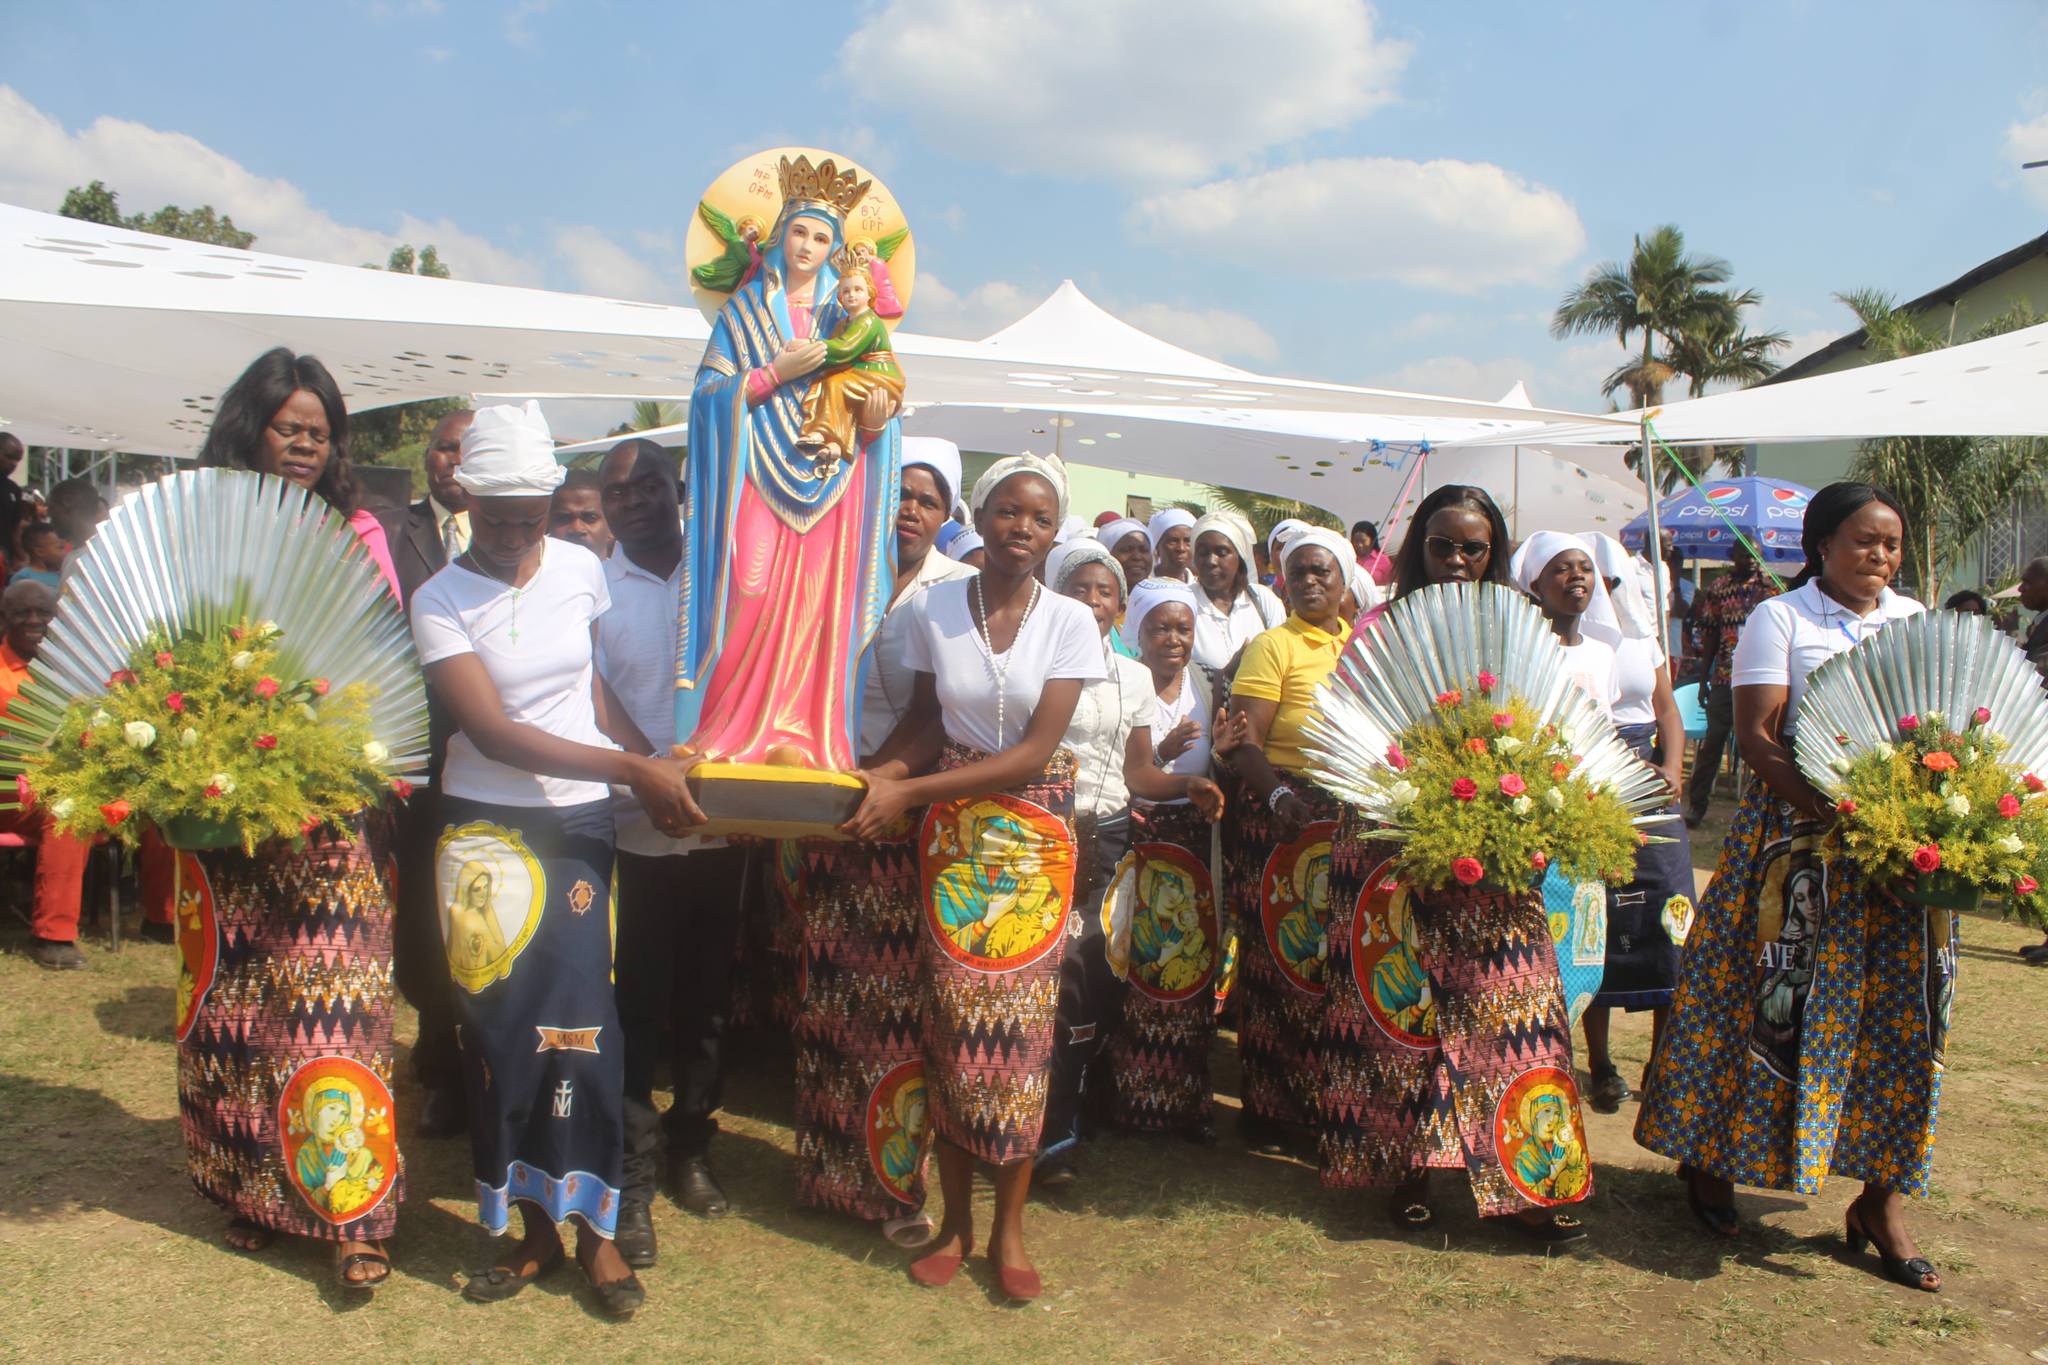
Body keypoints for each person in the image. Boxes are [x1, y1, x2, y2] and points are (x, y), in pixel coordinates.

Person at [411, 401, 698, 1319]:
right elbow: (492, 729)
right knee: (499, 1036)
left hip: (576, 830)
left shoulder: (580, 569)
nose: (508, 536)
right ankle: (531, 1229)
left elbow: (591, 687)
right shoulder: (441, 599)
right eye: (492, 517)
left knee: (584, 1031)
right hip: (486, 837)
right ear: (465, 501)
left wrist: (652, 756)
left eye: (525, 517)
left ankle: (598, 1233)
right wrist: (630, 769)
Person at [1638, 482, 1946, 1293]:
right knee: (1755, 1003)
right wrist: (1837, 811)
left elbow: (1945, 729)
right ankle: (1710, 1160)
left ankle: (1879, 1200)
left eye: (1891, 542)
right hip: (1797, 849)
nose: (1881, 556)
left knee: (1903, 1021)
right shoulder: (1784, 618)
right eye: (1864, 541)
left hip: (1895, 866)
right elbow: (1758, 733)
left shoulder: (1914, 621)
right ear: (1822, 547)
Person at [843, 453, 1103, 1302]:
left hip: (1031, 835)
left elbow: (1032, 752)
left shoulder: (1070, 620)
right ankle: (955, 1225)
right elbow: (926, 724)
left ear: (1053, 532)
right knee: (953, 1033)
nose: (1019, 528)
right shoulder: (931, 609)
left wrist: (907, 790)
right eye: (1006, 511)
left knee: (1022, 1046)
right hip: (952, 838)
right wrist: (878, 778)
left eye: (1037, 518)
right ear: (982, 517)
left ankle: (1009, 1232)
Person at [182, 346, 405, 1289]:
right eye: (290, 427)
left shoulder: (358, 531)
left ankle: (355, 1211)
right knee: (241, 1011)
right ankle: (255, 1192)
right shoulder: (203, 523)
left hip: (330, 807)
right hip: (228, 810)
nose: (307, 442)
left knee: (339, 1006)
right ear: (252, 427)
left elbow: (386, 650)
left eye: (321, 431)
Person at [1322, 485, 1593, 1242]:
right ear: (1418, 549)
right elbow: (1349, 734)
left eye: (1474, 548)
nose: (1457, 561)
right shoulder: (1376, 628)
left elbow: (1552, 728)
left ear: (1493, 554)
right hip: (1390, 845)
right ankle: (1405, 1175)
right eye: (1442, 545)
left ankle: (1533, 1178)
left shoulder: (1521, 627)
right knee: (1401, 1020)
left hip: (1498, 852)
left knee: (1517, 1012)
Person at [789, 438, 974, 1244]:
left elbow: (937, 712)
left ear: (946, 516)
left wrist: (882, 777)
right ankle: (825, 1175)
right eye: (897, 493)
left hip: (899, 818)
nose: (908, 509)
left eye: (927, 499)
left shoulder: (953, 592)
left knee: (894, 1009)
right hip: (823, 807)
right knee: (826, 993)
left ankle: (894, 1183)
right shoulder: (830, 567)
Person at [676, 166, 905, 770]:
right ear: (780, 236)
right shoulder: (745, 310)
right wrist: (773, 374)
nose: (808, 248)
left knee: (821, 604)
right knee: (748, 589)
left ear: (836, 250)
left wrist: (878, 419)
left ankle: (804, 734)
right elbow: (707, 396)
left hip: (834, 484)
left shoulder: (851, 316)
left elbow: (880, 397)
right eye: (800, 233)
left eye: (822, 239)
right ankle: (724, 733)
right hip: (755, 470)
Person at [592, 437, 753, 1266]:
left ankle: (694, 1148)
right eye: (616, 491)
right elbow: (588, 693)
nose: (634, 500)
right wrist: (649, 773)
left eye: (648, 483)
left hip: (721, 829)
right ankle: (634, 1174)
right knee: (634, 1009)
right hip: (631, 833)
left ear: (675, 488)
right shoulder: (590, 585)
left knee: (708, 1007)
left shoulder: (721, 571)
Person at [1035, 545, 1224, 1185]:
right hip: (1037, 829)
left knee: (1090, 978)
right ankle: (1010, 1118)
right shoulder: (1030, 662)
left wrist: (1186, 787)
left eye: (1105, 592)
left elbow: (1138, 771)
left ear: (1120, 605)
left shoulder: (1133, 677)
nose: (1093, 602)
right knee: (1031, 976)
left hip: (1109, 840)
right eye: (1081, 589)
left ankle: (1059, 1134)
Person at [1217, 526, 1356, 1155]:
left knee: (1331, 963)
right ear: (1282, 581)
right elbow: (1244, 741)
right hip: (1281, 814)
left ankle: (1323, 1099)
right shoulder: (1272, 647)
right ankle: (1269, 1107)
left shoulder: (1360, 646)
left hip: (1344, 817)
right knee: (1278, 962)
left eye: (1322, 571)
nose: (1309, 582)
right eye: (1297, 572)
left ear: (1345, 581)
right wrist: (1278, 798)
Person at [1102, 575, 1229, 1141]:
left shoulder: (1205, 682)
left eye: (1183, 627)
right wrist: (1165, 757)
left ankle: (1187, 1103)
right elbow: (1124, 768)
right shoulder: (1122, 682)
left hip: (1196, 841)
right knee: (1138, 965)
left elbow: (1214, 764)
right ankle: (1132, 1101)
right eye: (1160, 628)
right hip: (1141, 840)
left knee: (1190, 969)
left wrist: (1218, 757)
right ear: (1138, 631)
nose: (1173, 639)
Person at [376, 406, 474, 1139]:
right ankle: (439, 1059)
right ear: (428, 458)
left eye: (470, 448)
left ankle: (484, 1062)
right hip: (417, 764)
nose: (455, 460)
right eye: (445, 448)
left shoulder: (524, 533)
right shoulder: (391, 532)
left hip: (501, 761)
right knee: (423, 926)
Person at [1574, 534, 1695, 1112]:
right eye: (1593, 576)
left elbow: (1667, 709)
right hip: (1592, 777)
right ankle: (1599, 1063)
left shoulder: (1643, 640)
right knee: (1594, 916)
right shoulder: (1568, 642)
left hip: (1653, 783)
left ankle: (1664, 1064)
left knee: (1672, 917)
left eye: (1612, 579)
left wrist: (1672, 767)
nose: (1602, 588)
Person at [0, 579, 92, 969]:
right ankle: (52, 938)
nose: (34, 620)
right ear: (5, 618)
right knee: (67, 813)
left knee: (161, 802)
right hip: (10, 791)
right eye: (24, 613)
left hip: (78, 784)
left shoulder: (72, 668)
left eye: (44, 613)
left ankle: (161, 918)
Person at [1682, 543, 1776, 827]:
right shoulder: (1720, 587)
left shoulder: (1771, 588)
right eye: (1744, 553)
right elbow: (1710, 635)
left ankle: (1760, 813)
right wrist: (1703, 679)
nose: (1750, 559)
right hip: (1725, 677)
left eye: (1754, 554)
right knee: (1712, 745)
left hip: (1761, 679)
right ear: (1732, 556)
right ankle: (1697, 806)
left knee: (1761, 745)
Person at [1189, 511, 1285, 674]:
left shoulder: (1263, 600)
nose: (1211, 561)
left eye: (1222, 552)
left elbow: (1282, 659)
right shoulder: (1183, 602)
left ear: (1240, 558)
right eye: (1203, 553)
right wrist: (1226, 674)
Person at [548, 468, 614, 559]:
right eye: (563, 518)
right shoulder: (528, 572)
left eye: (590, 518)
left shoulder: (636, 572)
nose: (577, 529)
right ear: (546, 526)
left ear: (612, 528)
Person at [12, 523, 66, 590]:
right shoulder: (24, 578)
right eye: (59, 548)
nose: (64, 553)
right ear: (40, 552)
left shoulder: (61, 575)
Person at [1148, 508, 1196, 582]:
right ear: (1156, 546)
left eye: (1188, 541)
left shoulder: (1201, 588)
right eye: (1173, 541)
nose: (1181, 548)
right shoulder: (1141, 586)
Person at [0, 433, 26, 559]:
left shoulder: (13, 489)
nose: (13, 464)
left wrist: (21, 557)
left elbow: (15, 528)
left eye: (17, 460)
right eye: (9, 457)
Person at [1350, 519, 1393, 588]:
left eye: (1363, 541)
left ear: (1372, 540)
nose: (1359, 545)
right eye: (1356, 541)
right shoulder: (1349, 558)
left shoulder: (1382, 559)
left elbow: (1389, 585)